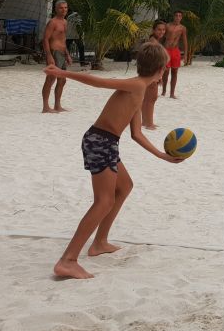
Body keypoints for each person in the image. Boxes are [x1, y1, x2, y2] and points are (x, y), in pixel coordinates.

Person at [46, 41, 182, 279]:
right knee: (104, 201)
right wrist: (62, 72)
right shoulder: (136, 85)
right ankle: (67, 260)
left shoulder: (139, 90)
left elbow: (136, 133)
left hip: (106, 143)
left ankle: (99, 242)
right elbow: (98, 82)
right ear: (162, 70)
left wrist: (163, 156)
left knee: (125, 186)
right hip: (100, 142)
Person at [41, 0, 71, 113]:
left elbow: (63, 40)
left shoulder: (65, 22)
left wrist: (67, 54)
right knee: (50, 79)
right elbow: (45, 39)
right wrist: (49, 55)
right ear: (56, 9)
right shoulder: (52, 22)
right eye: (61, 8)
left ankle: (57, 105)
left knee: (62, 80)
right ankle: (45, 107)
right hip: (54, 53)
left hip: (62, 53)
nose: (64, 10)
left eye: (66, 8)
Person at [140, 20, 166, 130]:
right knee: (151, 99)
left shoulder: (154, 41)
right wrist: (158, 76)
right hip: (151, 74)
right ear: (153, 30)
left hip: (150, 73)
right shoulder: (153, 42)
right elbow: (153, 61)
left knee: (147, 99)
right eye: (159, 29)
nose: (162, 32)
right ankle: (148, 123)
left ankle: (146, 122)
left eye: (163, 30)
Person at [161, 10, 188, 99]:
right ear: (173, 16)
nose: (178, 17)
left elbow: (184, 41)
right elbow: (161, 38)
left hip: (176, 51)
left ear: (181, 17)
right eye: (176, 15)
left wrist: (185, 54)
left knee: (175, 72)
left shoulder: (182, 28)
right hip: (166, 50)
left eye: (180, 16)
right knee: (166, 71)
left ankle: (172, 93)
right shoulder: (167, 26)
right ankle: (164, 91)